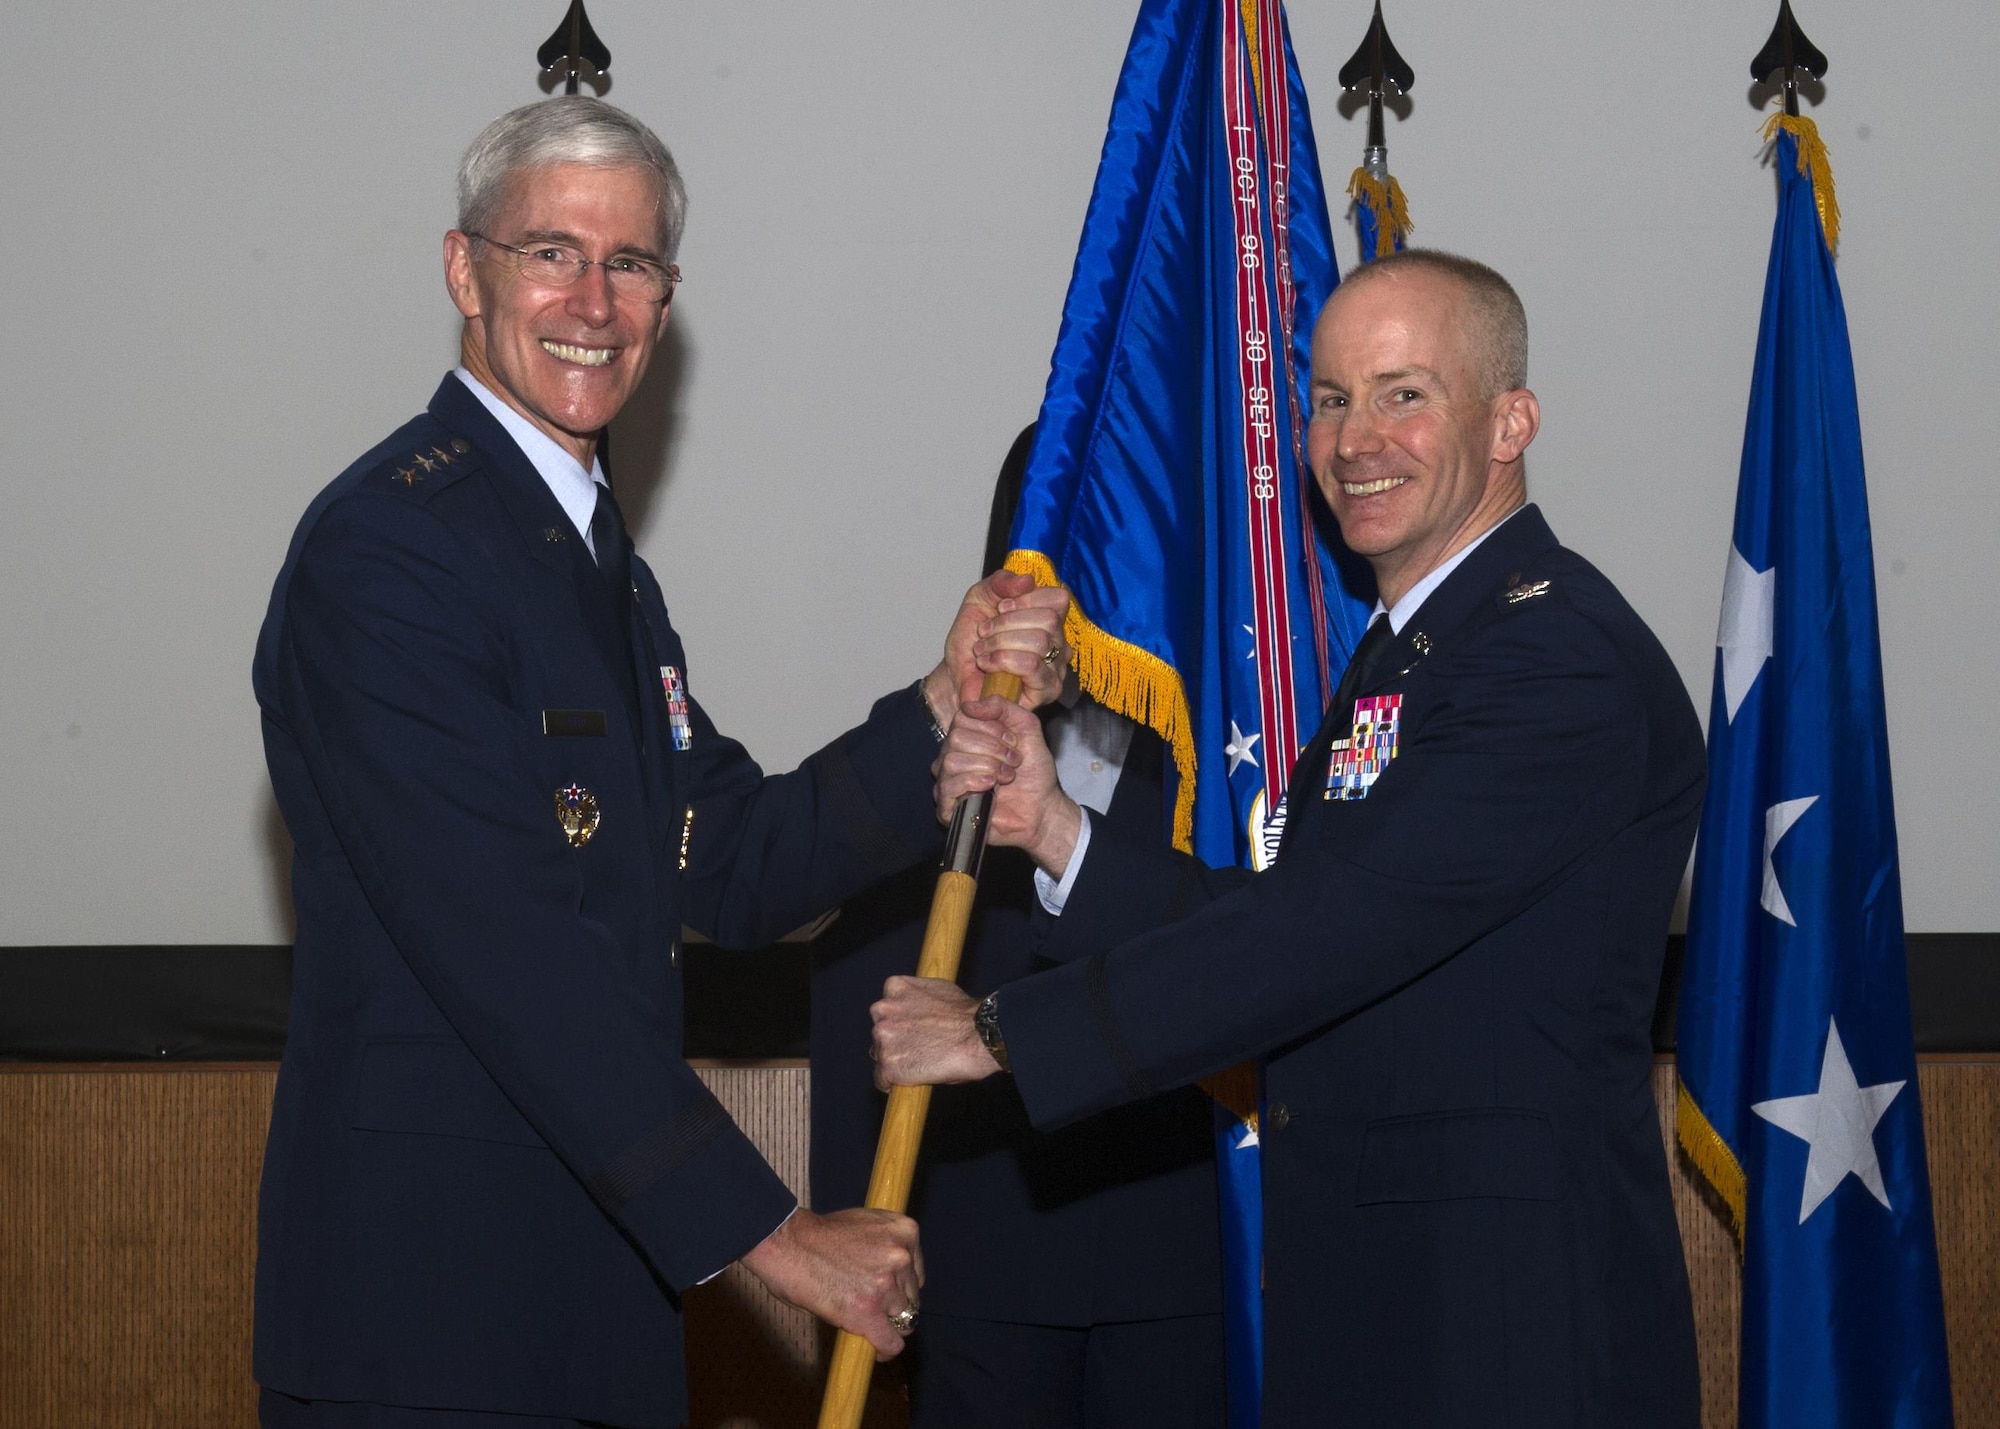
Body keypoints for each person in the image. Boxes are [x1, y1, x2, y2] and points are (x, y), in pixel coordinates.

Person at [250, 96, 1068, 1429]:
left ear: (668, 298)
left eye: (631, 263)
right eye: (550, 252)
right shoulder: (391, 556)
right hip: (432, 1331)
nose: (594, 299)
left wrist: (937, 704)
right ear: (465, 270)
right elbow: (517, 958)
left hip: (586, 1318)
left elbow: (730, 861)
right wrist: (780, 1240)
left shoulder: (599, 573)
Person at [873, 251, 1705, 1427]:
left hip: (1501, 1330)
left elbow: (1325, 931)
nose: (1354, 438)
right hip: (1382, 1305)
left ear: (1509, 420)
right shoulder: (1410, 650)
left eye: (1403, 393)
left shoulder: (1550, 656)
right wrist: (1056, 830)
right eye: (1327, 400)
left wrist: (1004, 1033)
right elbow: (1310, 914)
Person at [811, 425, 1223, 1428]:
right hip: (984, 1268)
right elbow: (860, 995)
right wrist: (853, 1230)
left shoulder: (1223, 765)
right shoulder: (939, 741)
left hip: (1185, 1264)